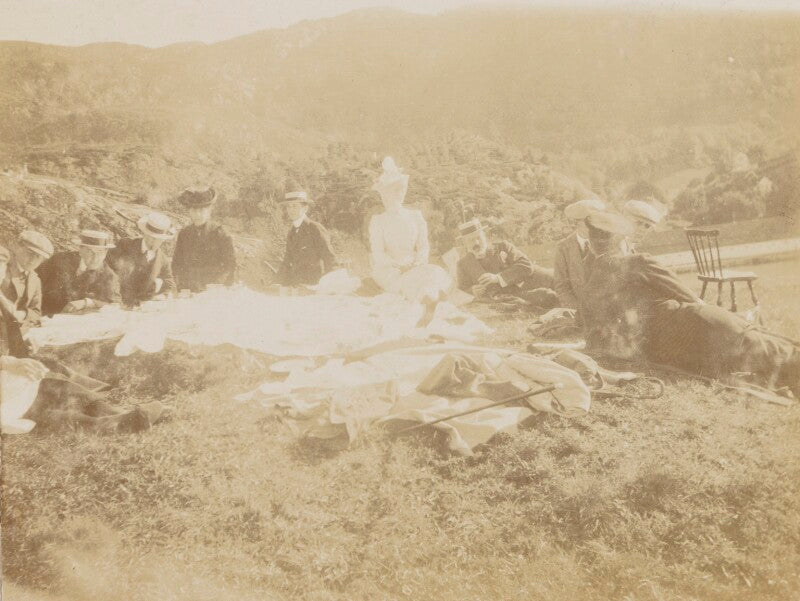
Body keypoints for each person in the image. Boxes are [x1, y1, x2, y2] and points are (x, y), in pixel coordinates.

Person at [581, 211, 799, 396]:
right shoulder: (639, 262)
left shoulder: (592, 279)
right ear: (622, 240)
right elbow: (690, 297)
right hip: (694, 327)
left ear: (592, 244)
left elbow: (596, 332)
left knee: (760, 350)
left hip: (660, 350)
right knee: (774, 349)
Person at [368, 157, 451, 304]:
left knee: (434, 272)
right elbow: (378, 253)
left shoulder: (415, 216)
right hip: (390, 269)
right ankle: (425, 299)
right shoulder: (378, 220)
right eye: (390, 191)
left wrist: (417, 263)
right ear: (383, 194)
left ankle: (431, 297)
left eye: (399, 190)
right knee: (407, 282)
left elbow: (423, 246)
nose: (396, 194)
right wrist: (398, 265)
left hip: (414, 264)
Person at [456, 218, 557, 309]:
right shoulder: (463, 264)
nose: (476, 242)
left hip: (531, 281)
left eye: (478, 237)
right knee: (546, 297)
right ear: (464, 243)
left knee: (557, 284)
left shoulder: (502, 246)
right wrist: (472, 291)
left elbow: (526, 265)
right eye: (470, 240)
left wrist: (498, 278)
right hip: (511, 297)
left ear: (485, 236)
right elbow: (462, 290)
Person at [37, 229, 121, 316]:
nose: (95, 257)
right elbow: (34, 279)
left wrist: (87, 302)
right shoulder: (60, 260)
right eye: (89, 251)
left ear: (106, 253)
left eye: (100, 252)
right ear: (80, 250)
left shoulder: (109, 276)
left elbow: (115, 305)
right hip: (41, 313)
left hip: (71, 320)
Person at [171, 186, 236, 292]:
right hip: (188, 290)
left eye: (201, 210)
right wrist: (179, 286)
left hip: (213, 290)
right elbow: (177, 264)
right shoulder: (184, 234)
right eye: (193, 210)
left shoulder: (220, 233)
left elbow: (229, 266)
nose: (197, 214)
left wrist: (215, 287)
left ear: (209, 211)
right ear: (189, 211)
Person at [106, 212, 177, 306]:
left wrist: (162, 296)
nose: (154, 242)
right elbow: (106, 269)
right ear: (144, 233)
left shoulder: (163, 260)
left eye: (159, 239)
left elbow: (170, 285)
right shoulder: (124, 245)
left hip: (141, 308)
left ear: (164, 239)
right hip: (115, 303)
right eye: (151, 237)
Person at [276, 188, 337, 287]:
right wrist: (276, 281)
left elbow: (330, 258)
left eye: (295, 206)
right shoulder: (291, 233)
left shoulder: (315, 228)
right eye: (288, 207)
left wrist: (329, 285)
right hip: (295, 284)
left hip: (314, 284)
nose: (291, 210)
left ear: (305, 208)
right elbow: (287, 260)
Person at [553, 198, 606, 310]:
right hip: (577, 309)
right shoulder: (563, 247)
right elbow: (562, 286)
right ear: (576, 222)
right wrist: (577, 310)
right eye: (588, 222)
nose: (593, 226)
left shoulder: (606, 244)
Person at [0, 230, 53, 339]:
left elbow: (36, 312)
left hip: (14, 334)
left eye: (38, 257)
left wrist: (23, 314)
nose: (33, 260)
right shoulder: (3, 265)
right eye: (30, 253)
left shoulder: (35, 280)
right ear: (18, 248)